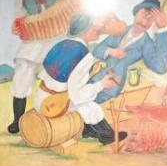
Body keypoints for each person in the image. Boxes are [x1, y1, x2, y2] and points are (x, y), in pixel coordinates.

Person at [38, 15, 120, 145]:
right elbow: (77, 95)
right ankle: (107, 136)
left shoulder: (63, 43)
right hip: (55, 105)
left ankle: (88, 131)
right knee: (91, 107)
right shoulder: (84, 55)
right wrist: (102, 84)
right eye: (93, 25)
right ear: (84, 29)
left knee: (85, 104)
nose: (98, 28)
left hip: (41, 98)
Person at [7, 0, 62, 133]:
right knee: (22, 71)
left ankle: (56, 117)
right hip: (34, 40)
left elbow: (68, 1)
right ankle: (17, 120)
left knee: (57, 76)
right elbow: (19, 18)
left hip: (56, 36)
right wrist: (16, 26)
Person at [92, 0, 167, 103]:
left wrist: (162, 29)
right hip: (94, 80)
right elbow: (97, 50)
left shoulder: (146, 44)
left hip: (110, 88)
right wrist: (111, 51)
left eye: (150, 19)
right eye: (143, 14)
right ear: (136, 13)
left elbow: (161, 68)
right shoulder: (120, 29)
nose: (144, 21)